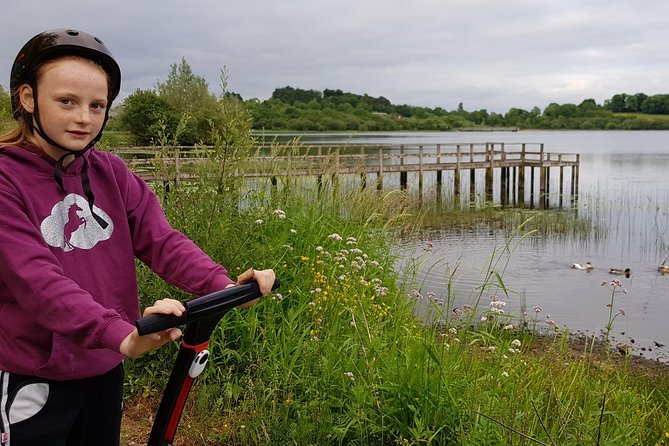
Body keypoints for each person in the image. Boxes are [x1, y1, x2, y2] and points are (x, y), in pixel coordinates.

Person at [0, 29, 275, 446]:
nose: (84, 118)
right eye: (67, 101)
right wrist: (120, 333)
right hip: (32, 373)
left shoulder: (110, 172)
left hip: (104, 366)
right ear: (26, 98)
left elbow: (161, 241)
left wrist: (223, 285)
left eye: (97, 105)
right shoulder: (6, 179)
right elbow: (36, 281)